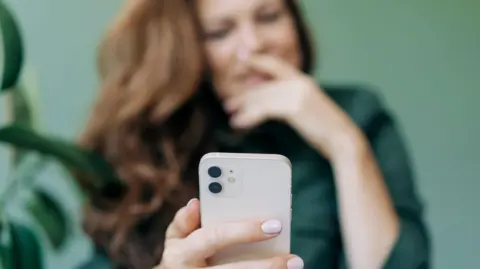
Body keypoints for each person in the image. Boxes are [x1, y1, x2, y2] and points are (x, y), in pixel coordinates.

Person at [76, 0, 430, 268]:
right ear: (184, 51)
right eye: (220, 32)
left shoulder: (357, 112)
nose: (254, 44)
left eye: (269, 17)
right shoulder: (147, 147)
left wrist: (343, 142)